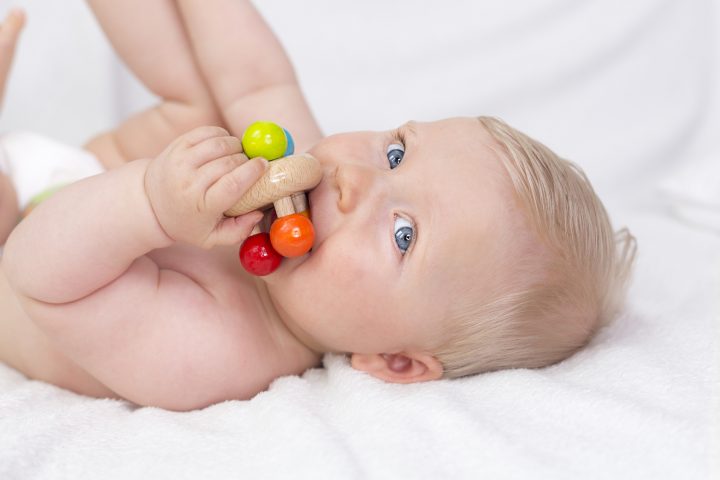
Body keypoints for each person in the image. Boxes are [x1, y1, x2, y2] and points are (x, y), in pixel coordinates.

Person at [0, 1, 635, 411]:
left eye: (405, 234)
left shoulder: (222, 356)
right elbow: (256, 81)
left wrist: (151, 205)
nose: (355, 181)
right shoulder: (304, 181)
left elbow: (39, 276)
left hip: (22, 243)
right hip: (83, 178)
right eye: (395, 153)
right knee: (205, 103)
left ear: (394, 361)